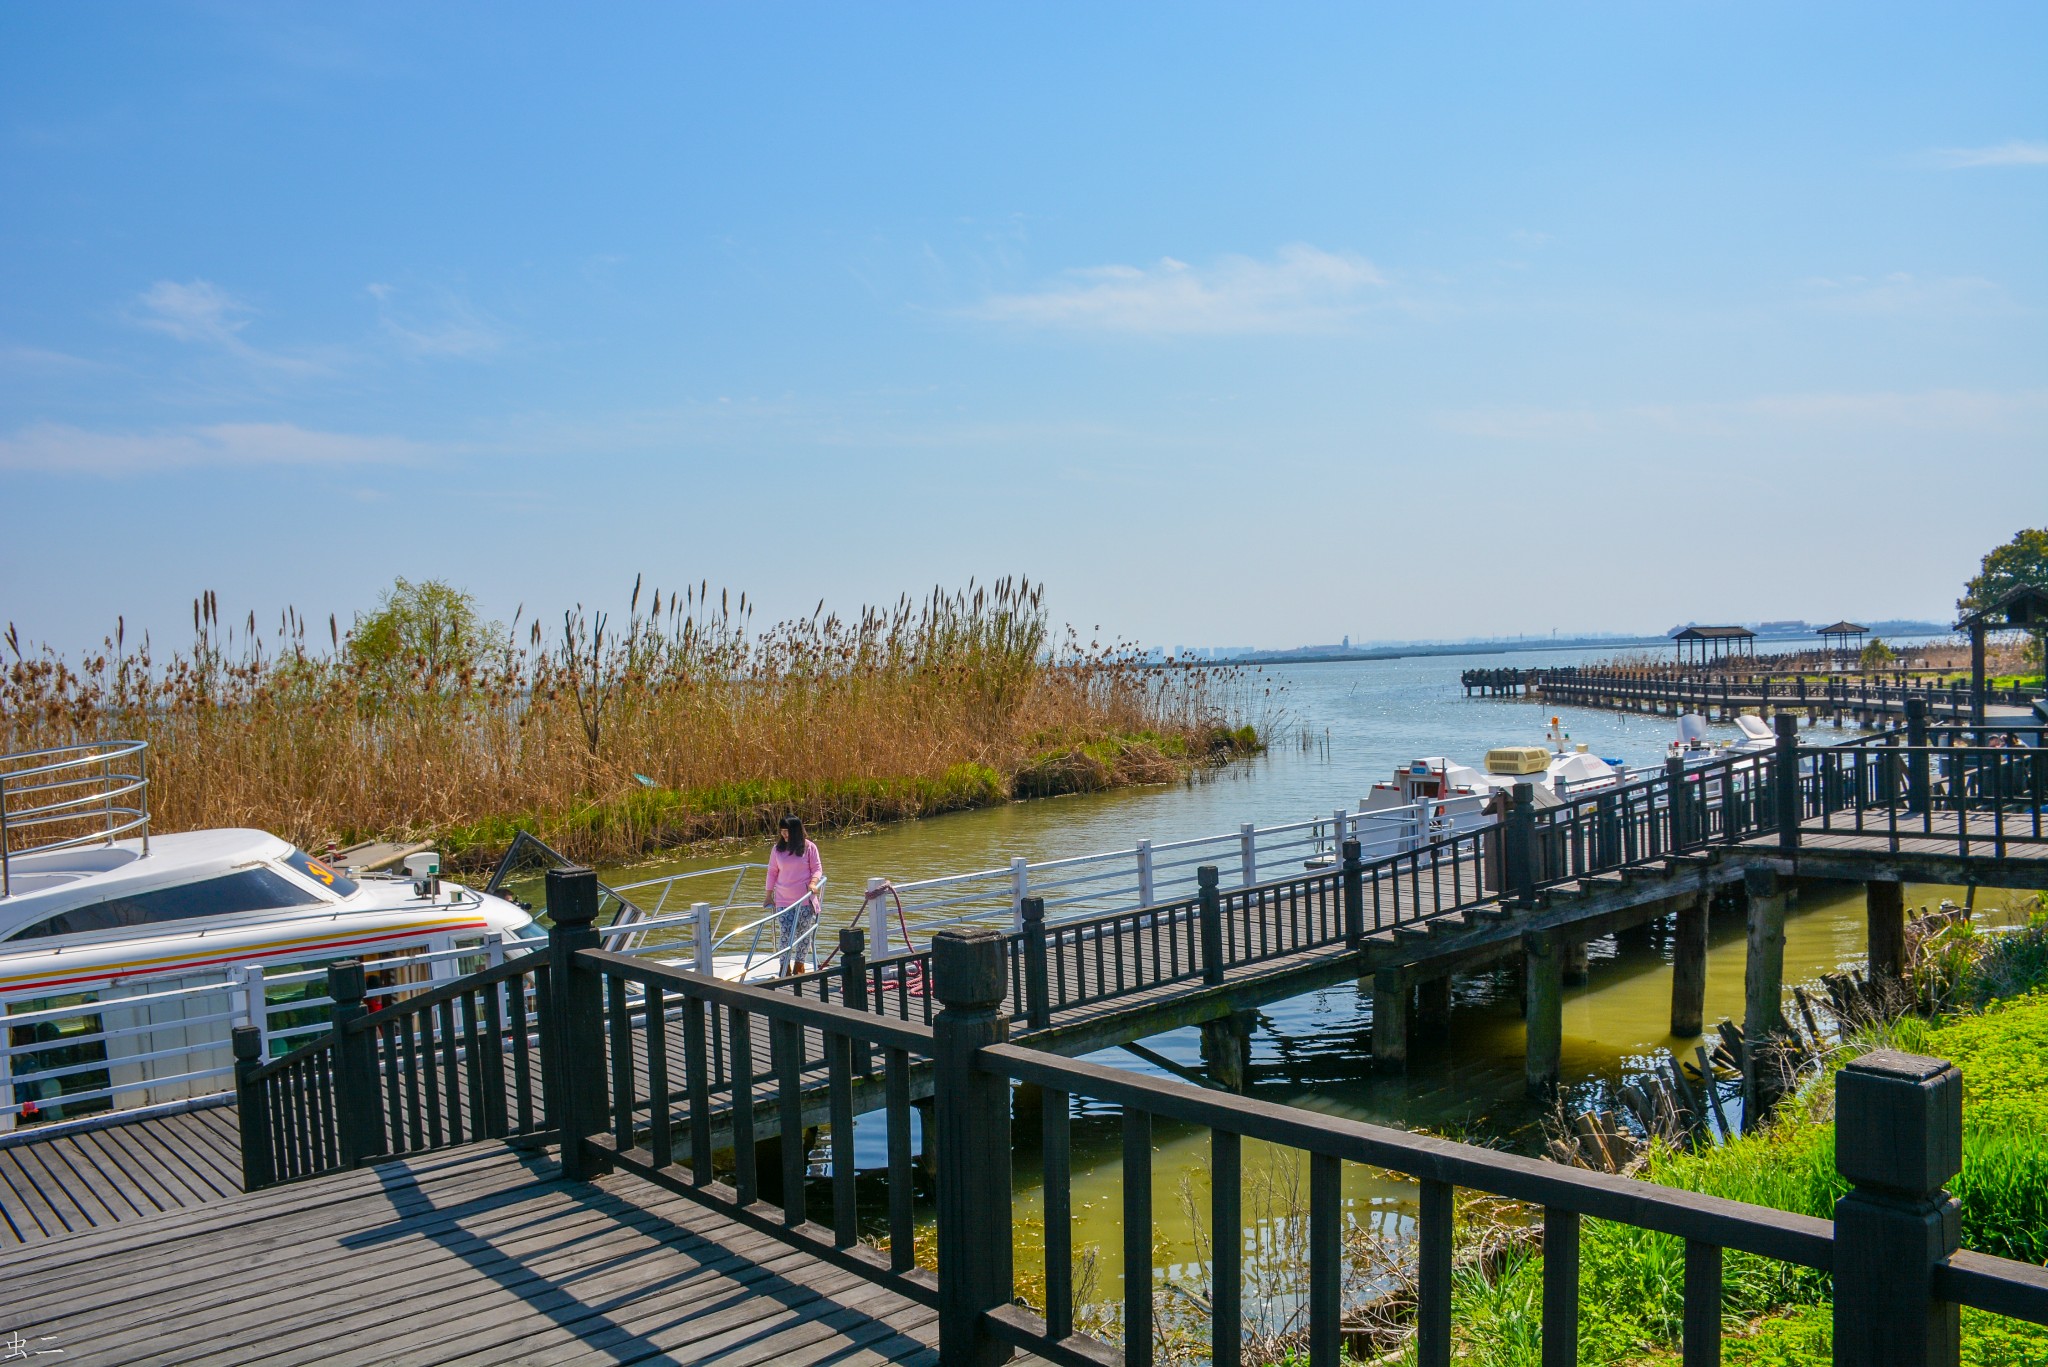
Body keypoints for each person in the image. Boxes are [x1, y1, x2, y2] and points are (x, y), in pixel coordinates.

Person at [764, 815, 823, 974]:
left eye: (787, 831)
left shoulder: (809, 847)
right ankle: (784, 967)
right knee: (785, 934)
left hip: (804, 900)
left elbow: (817, 868)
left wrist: (813, 883)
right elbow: (772, 872)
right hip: (783, 900)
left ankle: (799, 966)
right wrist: (768, 895)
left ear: (796, 831)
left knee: (804, 936)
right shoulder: (777, 850)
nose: (784, 834)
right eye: (782, 831)